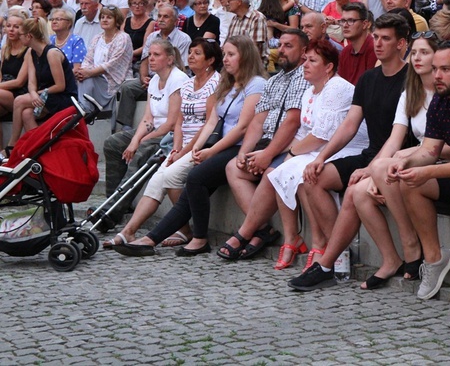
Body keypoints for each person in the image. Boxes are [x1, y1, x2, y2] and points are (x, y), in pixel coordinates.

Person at [343, 42, 450, 300]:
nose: (437, 75)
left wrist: (428, 172)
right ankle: (434, 259)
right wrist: (404, 164)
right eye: (435, 69)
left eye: (446, 69)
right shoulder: (440, 99)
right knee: (409, 181)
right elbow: (430, 151)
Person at [281, 14, 409, 289]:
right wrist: (321, 157)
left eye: (387, 39)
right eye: (377, 37)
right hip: (369, 153)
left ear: (401, 44)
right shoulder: (368, 79)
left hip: (398, 157)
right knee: (313, 177)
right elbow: (350, 124)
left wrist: (372, 167)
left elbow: (400, 137)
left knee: (353, 190)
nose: (379, 44)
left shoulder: (410, 79)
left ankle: (328, 263)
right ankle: (339, 253)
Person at [114, 36, 268, 255]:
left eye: (231, 54)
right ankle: (152, 239)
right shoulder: (229, 83)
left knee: (195, 178)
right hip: (222, 146)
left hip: (242, 146)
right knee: (193, 185)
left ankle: (197, 238)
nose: (225, 59)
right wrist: (198, 148)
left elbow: (243, 127)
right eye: (225, 54)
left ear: (246, 56)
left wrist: (209, 151)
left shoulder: (256, 84)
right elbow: (212, 121)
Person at [102, 38, 222, 248]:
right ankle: (128, 232)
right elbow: (179, 123)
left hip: (201, 145)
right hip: (181, 143)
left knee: (167, 175)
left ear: (210, 60)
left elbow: (206, 124)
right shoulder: (188, 84)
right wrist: (176, 148)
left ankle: (169, 235)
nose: (191, 56)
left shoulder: (214, 83)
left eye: (197, 53)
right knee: (157, 180)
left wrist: (183, 151)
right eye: (190, 52)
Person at [266, 39, 368, 269]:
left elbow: (322, 135)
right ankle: (292, 238)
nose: (305, 65)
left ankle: (321, 241)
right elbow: (304, 134)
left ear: (329, 67)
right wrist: (280, 152)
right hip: (321, 148)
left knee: (304, 174)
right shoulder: (310, 92)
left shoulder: (338, 88)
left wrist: (292, 153)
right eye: (305, 60)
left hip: (347, 148)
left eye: (313, 61)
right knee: (280, 170)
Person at [212, 30, 310, 260]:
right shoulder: (273, 80)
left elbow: (292, 122)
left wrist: (266, 155)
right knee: (233, 168)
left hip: (289, 145)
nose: (281, 51)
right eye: (280, 45)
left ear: (304, 51)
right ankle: (262, 229)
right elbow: (257, 121)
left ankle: (244, 232)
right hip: (266, 142)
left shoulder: (304, 77)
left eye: (288, 46)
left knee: (270, 173)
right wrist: (245, 152)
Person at [6, 17, 78, 155]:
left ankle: (12, 145)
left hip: (63, 97)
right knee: (26, 113)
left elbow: (60, 86)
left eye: (21, 34)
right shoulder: (31, 52)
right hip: (45, 95)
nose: (18, 38)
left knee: (19, 100)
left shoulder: (52, 53)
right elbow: (31, 82)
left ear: (29, 36)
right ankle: (40, 149)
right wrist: (33, 94)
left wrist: (39, 93)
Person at [74, 6, 133, 113]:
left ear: (117, 21)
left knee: (88, 78)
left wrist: (89, 73)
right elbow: (88, 59)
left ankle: (84, 108)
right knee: (84, 77)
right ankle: (85, 107)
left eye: (109, 17)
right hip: (94, 77)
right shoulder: (97, 38)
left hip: (112, 81)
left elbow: (113, 63)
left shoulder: (124, 38)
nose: (105, 20)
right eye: (102, 17)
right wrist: (84, 71)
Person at [0, 12, 29, 155]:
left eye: (16, 27)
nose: (11, 29)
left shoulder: (28, 50)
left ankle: (10, 147)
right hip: (3, 92)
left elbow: (19, 82)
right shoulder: (5, 48)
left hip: (20, 93)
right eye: (8, 26)